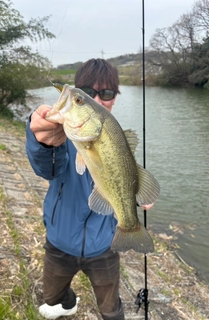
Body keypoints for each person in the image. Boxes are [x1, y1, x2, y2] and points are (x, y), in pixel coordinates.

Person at [26, 58, 153, 320]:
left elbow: (128, 176)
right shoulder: (61, 137)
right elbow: (48, 169)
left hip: (104, 245)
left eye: (105, 93)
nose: (96, 97)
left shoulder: (117, 142)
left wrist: (137, 197)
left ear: (114, 98)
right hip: (60, 241)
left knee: (110, 307)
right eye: (85, 92)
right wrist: (43, 142)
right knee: (52, 297)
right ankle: (67, 302)